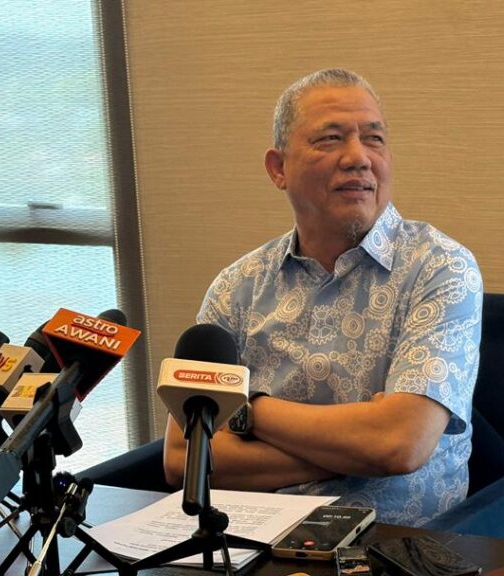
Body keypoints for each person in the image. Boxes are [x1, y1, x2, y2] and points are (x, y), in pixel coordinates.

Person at [163, 68, 483, 527]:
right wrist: (356, 451)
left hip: (392, 543)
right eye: (331, 139)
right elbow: (181, 458)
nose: (359, 158)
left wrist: (248, 410)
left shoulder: (440, 268)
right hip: (251, 536)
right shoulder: (237, 287)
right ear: (279, 168)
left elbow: (400, 444)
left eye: (374, 139)